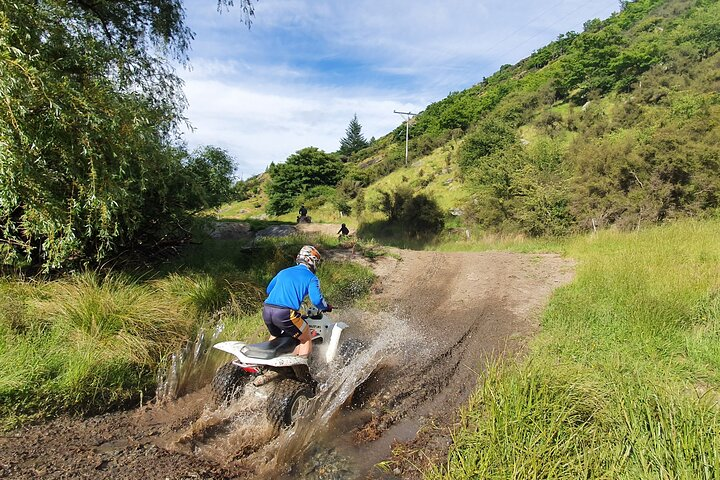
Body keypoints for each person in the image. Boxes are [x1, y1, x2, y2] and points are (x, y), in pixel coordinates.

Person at [262, 245, 332, 357]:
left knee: (275, 335)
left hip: (266, 310)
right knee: (306, 336)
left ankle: (266, 361)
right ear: (312, 261)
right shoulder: (311, 277)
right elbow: (317, 300)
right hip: (285, 314)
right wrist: (326, 307)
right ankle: (303, 370)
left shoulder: (283, 272)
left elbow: (269, 289)